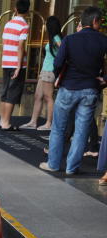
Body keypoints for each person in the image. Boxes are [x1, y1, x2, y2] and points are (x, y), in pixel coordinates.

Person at [40, 6, 107, 175]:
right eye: (100, 22)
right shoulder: (103, 40)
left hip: (68, 88)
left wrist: (59, 77)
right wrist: (104, 79)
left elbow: (57, 63)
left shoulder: (70, 39)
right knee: (81, 131)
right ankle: (72, 167)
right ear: (94, 21)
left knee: (58, 128)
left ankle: (53, 164)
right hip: (90, 90)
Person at [0, 0, 30, 131]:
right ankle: (6, 123)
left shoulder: (8, 24)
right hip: (15, 63)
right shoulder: (24, 25)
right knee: (13, 92)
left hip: (6, 61)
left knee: (5, 91)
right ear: (28, 10)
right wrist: (19, 66)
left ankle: (2, 120)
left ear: (15, 9)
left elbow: (6, 43)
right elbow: (20, 46)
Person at [20, 16, 62, 131]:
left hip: (50, 71)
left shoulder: (57, 38)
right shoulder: (52, 38)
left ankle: (49, 123)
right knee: (38, 96)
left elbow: (63, 50)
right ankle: (33, 122)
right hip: (45, 70)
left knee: (48, 97)